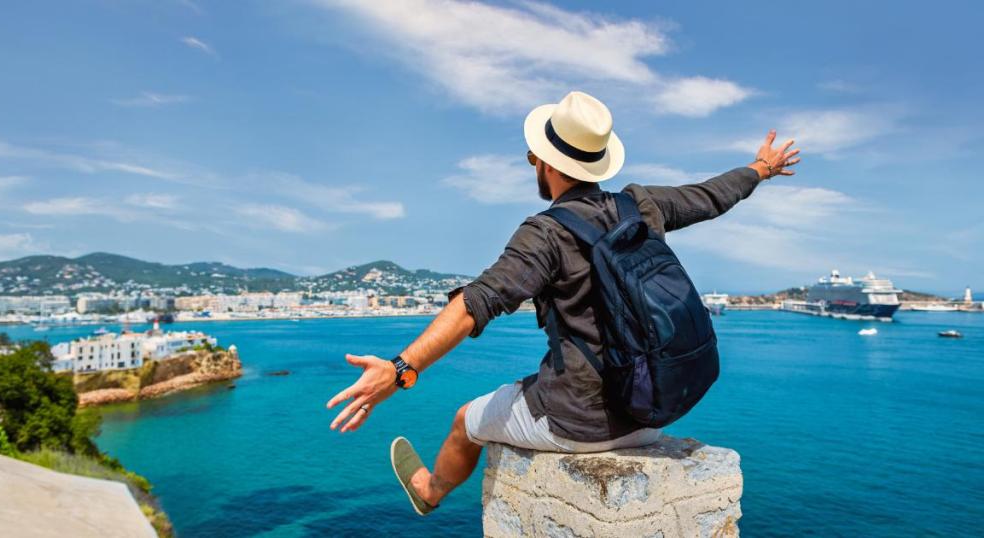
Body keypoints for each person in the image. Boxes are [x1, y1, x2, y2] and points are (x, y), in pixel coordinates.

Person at [326, 91, 801, 515]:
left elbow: (477, 302)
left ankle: (429, 491)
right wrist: (761, 169)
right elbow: (711, 196)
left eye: (534, 156)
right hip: (654, 411)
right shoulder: (641, 206)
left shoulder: (546, 233)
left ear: (547, 164)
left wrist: (400, 369)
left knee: (465, 422)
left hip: (578, 422)